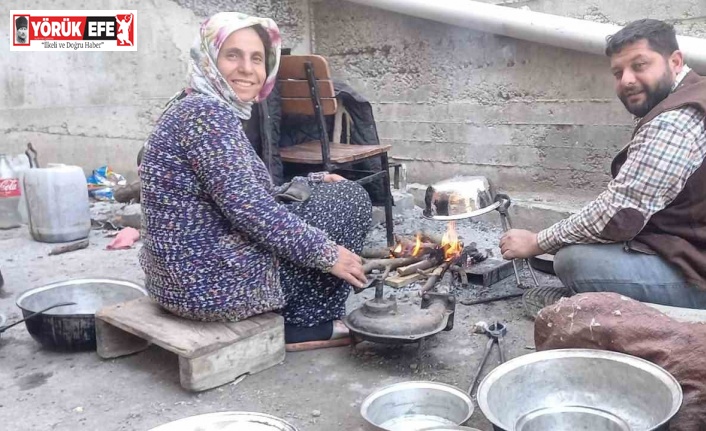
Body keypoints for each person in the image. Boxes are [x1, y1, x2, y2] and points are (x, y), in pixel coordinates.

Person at [139, 12, 372, 350]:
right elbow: (250, 210)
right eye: (232, 55)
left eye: (257, 58)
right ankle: (305, 324)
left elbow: (240, 194)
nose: (247, 68)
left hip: (181, 280)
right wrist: (328, 254)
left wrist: (314, 179)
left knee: (330, 190)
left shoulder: (192, 103)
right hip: (207, 287)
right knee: (349, 201)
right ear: (209, 59)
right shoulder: (207, 114)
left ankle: (302, 310)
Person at [500, 19, 706, 309]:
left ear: (675, 61)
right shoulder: (693, 95)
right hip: (690, 249)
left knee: (573, 261)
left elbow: (619, 213)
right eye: (618, 72)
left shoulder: (675, 122)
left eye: (640, 65)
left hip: (699, 276)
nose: (627, 80)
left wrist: (536, 241)